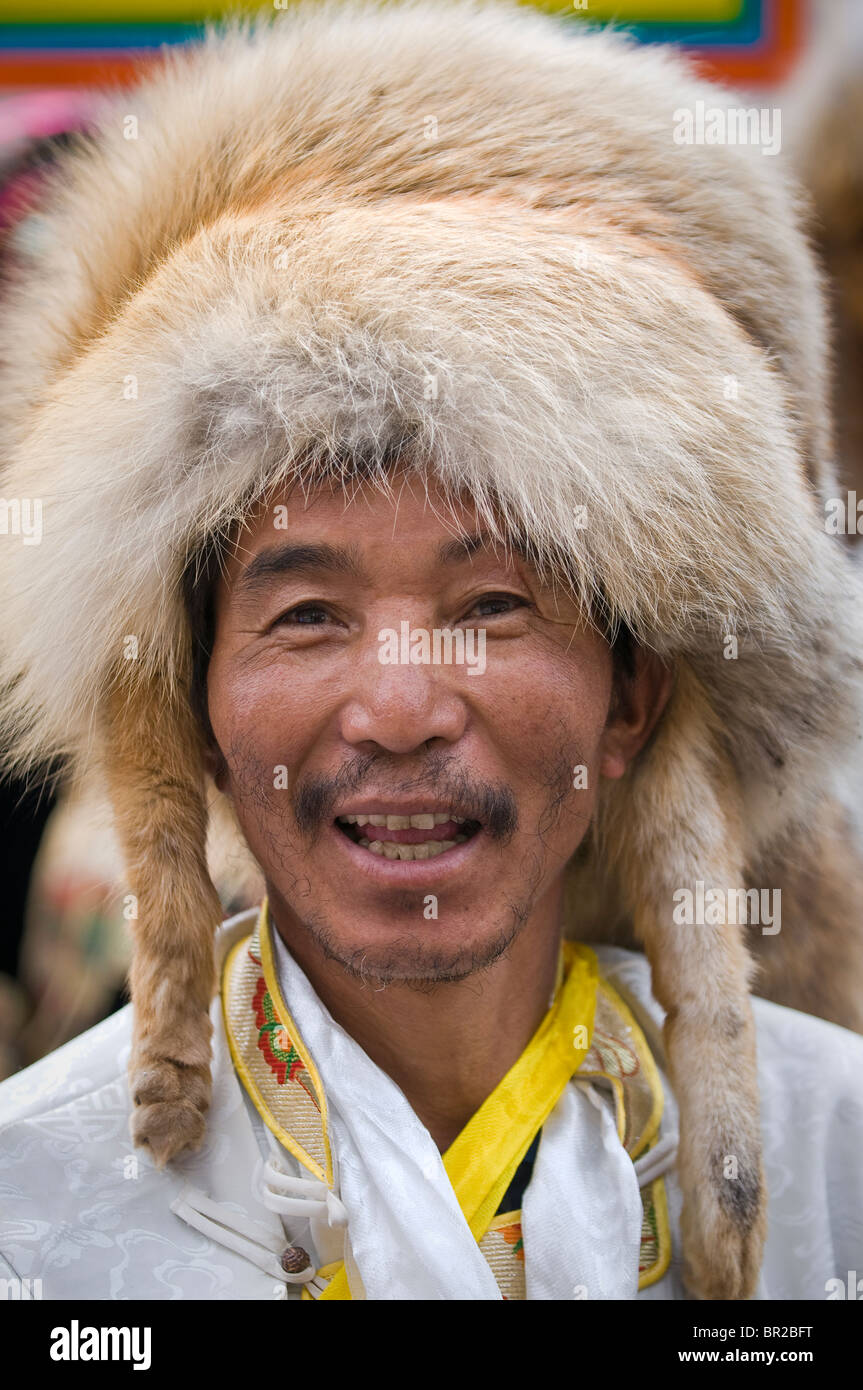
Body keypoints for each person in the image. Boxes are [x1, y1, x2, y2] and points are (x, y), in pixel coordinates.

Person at [0, 0, 861, 1301]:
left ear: (635, 694)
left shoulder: (837, 1161)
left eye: (493, 606)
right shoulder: (36, 1219)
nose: (398, 707)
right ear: (193, 709)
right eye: (305, 614)